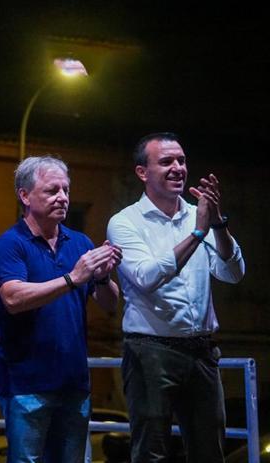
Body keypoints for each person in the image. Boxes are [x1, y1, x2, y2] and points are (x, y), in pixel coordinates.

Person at [107, 132, 245, 463]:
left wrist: (218, 224)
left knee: (210, 451)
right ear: (142, 172)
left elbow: (233, 273)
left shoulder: (200, 213)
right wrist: (198, 233)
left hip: (202, 350)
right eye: (166, 161)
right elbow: (146, 278)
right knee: (152, 452)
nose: (177, 168)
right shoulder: (125, 222)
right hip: (150, 350)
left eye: (181, 160)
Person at [0, 156, 121, 463]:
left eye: (66, 190)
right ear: (24, 195)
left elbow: (110, 304)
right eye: (52, 190)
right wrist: (73, 278)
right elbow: (12, 298)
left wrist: (102, 277)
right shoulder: (11, 244)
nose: (62, 197)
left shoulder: (81, 242)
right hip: (26, 385)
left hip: (73, 383)